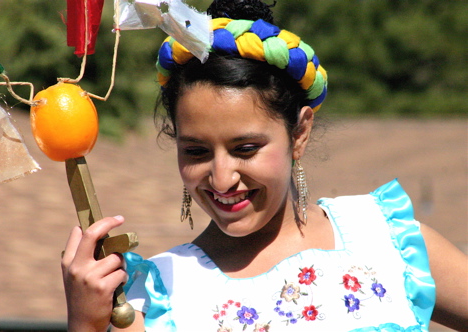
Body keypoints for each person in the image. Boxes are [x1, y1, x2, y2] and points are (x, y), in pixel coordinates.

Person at [61, 1, 468, 331]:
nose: (222, 178)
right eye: (197, 152)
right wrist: (85, 324)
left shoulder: (385, 240)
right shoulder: (156, 298)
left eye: (246, 148)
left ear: (300, 133)